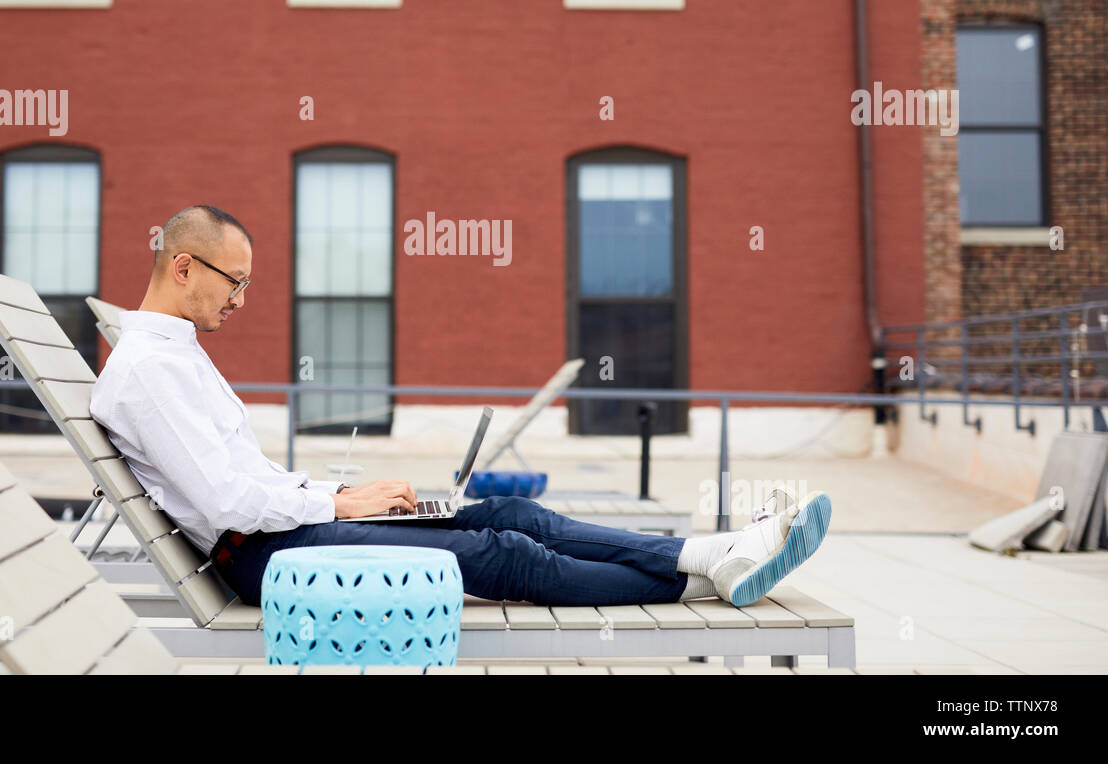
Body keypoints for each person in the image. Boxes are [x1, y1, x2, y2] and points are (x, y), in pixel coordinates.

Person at [90, 204, 831, 609]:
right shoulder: (149, 370)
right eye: (234, 281)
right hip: (262, 557)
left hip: (283, 531)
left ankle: (713, 558)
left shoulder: (174, 355)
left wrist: (337, 497)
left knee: (514, 517)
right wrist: (340, 504)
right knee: (505, 555)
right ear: (183, 265)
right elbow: (224, 502)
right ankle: (712, 575)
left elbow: (238, 480)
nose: (242, 300)